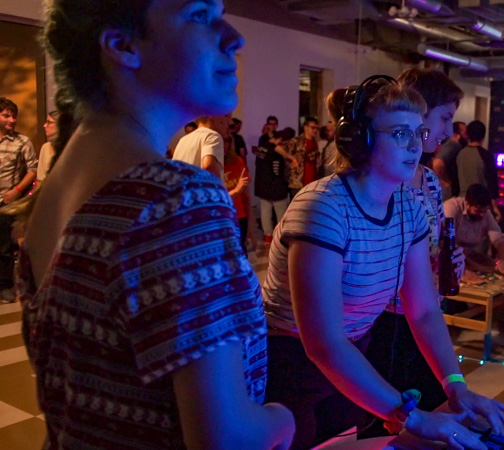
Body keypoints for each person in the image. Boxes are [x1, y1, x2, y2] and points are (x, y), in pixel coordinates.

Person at [10, 0, 295, 447]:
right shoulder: (175, 198)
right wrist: (284, 419)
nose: (234, 37)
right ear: (123, 45)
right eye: (199, 15)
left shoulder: (60, 184)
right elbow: (226, 439)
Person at [263, 77, 504, 449]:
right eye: (399, 134)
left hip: (353, 357)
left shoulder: (408, 206)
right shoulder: (323, 208)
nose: (414, 146)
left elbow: (423, 310)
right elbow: (323, 343)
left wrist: (456, 386)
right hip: (291, 368)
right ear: (358, 139)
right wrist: (412, 416)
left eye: (417, 133)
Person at [358, 68, 468, 439]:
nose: (447, 131)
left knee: (431, 410)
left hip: (422, 313)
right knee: (389, 423)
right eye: (444, 118)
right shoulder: (382, 177)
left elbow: (430, 247)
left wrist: (447, 263)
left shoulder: (429, 179)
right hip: (384, 318)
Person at [0, 97, 38, 303]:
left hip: (6, 202)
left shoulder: (22, 142)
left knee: (4, 246)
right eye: (6, 115)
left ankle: (5, 286)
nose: (12, 120)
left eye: (14, 116)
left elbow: (33, 169)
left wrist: (17, 190)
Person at [444, 184, 504, 275]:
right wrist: (467, 270)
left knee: (492, 267)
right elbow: (446, 244)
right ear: (467, 203)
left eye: (485, 211)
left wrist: (501, 262)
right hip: (445, 256)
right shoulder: (450, 208)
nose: (482, 215)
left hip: (468, 255)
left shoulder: (486, 213)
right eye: (478, 211)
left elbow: (500, 240)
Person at [255, 127, 293, 246]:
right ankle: (280, 238)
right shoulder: (275, 150)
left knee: (265, 212)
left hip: (262, 186)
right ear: (280, 139)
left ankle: (267, 237)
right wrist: (292, 158)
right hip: (276, 187)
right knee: (281, 212)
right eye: (284, 143)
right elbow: (277, 150)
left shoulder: (262, 147)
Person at [457, 120, 501, 219]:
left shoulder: (460, 153)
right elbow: (492, 182)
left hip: (462, 201)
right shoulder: (486, 155)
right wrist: (494, 206)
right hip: (480, 202)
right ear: (483, 136)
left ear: (468, 135)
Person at [223, 134, 257, 254]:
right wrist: (236, 190)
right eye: (222, 141)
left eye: (227, 141)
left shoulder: (237, 161)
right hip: (221, 218)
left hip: (239, 216)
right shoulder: (210, 165)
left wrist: (251, 230)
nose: (225, 145)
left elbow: (246, 197)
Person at [172, 115, 227, 181]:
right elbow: (208, 166)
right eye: (226, 116)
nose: (229, 122)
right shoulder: (212, 136)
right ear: (211, 115)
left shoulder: (182, 141)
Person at [283, 117, 320, 197]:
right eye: (313, 128)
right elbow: (286, 156)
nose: (315, 130)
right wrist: (290, 165)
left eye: (317, 128)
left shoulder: (315, 143)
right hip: (298, 183)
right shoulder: (295, 141)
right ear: (305, 127)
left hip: (312, 183)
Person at [433, 121, 466, 200]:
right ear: (456, 134)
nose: (467, 135)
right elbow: (437, 163)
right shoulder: (453, 145)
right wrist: (445, 180)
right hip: (448, 192)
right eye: (465, 132)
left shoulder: (452, 146)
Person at [37, 111, 58, 182]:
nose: (45, 125)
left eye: (49, 122)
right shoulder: (45, 147)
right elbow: (40, 179)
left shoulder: (71, 147)